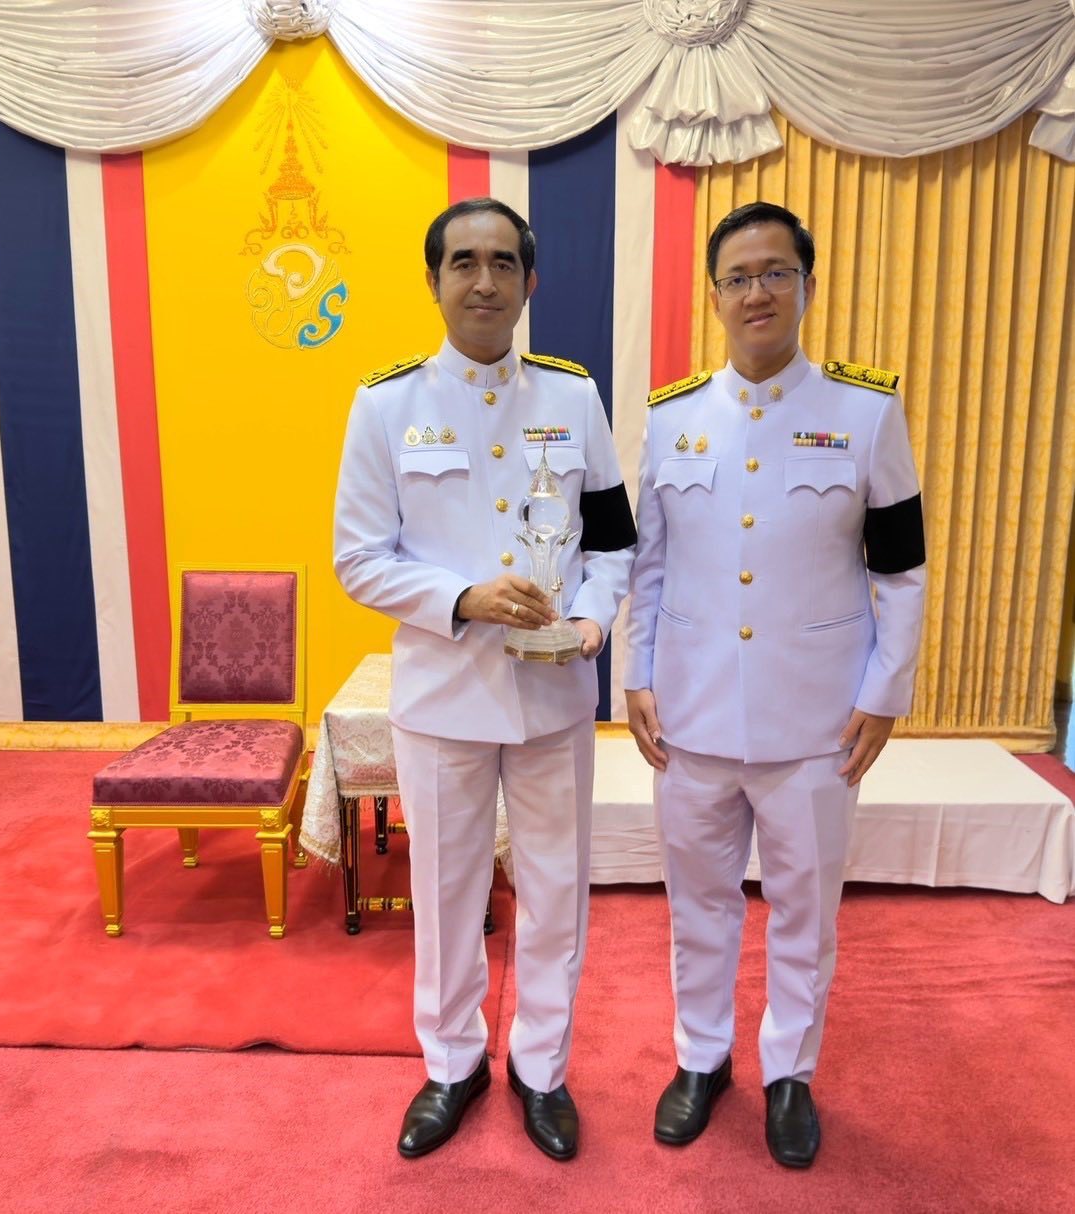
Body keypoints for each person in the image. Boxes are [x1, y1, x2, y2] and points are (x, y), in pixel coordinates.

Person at [334, 197, 636, 1161]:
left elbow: (614, 544)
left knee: (556, 892)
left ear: (528, 282)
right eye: (462, 262)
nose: (483, 280)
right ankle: (452, 1063)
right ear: (432, 281)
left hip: (552, 697)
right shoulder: (387, 405)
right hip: (443, 695)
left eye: (503, 262)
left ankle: (541, 1069)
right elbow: (357, 560)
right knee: (446, 894)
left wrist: (592, 618)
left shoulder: (571, 397)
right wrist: (462, 597)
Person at [625, 201, 925, 1168]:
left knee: (805, 910)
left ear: (805, 284)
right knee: (698, 905)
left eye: (775, 273)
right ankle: (700, 1058)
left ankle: (789, 1071)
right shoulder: (671, 417)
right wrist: (635, 674)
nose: (756, 292)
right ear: (714, 296)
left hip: (817, 718)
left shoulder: (865, 413)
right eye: (737, 277)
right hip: (691, 711)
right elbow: (649, 563)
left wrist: (884, 691)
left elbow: (900, 568)